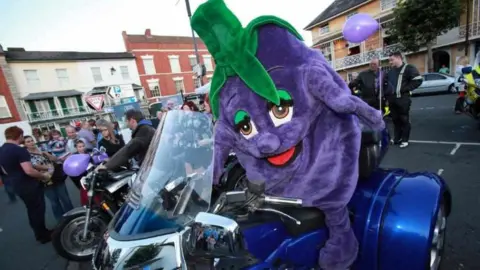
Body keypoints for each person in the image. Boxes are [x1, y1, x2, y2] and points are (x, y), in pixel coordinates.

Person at [0, 126, 51, 243]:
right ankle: (43, 235)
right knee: (38, 210)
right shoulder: (19, 150)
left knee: (31, 210)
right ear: (19, 136)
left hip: (15, 184)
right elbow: (29, 170)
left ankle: (39, 233)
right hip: (29, 184)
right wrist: (44, 176)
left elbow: (4, 170)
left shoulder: (1, 150)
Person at [24, 136, 73, 221]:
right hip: (44, 180)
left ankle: (72, 216)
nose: (31, 142)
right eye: (28, 142)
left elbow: (55, 159)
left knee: (65, 198)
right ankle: (61, 220)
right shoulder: (26, 155)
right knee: (54, 202)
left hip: (56, 177)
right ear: (24, 144)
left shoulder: (43, 148)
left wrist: (47, 154)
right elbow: (33, 166)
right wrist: (49, 168)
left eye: (32, 140)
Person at [384, 51, 423, 148]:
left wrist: (405, 89)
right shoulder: (390, 71)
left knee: (404, 120)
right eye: (389, 60)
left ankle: (405, 140)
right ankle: (397, 138)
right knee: (395, 120)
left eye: (391, 60)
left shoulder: (409, 68)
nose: (390, 62)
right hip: (392, 100)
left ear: (399, 58)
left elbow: (418, 80)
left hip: (403, 100)